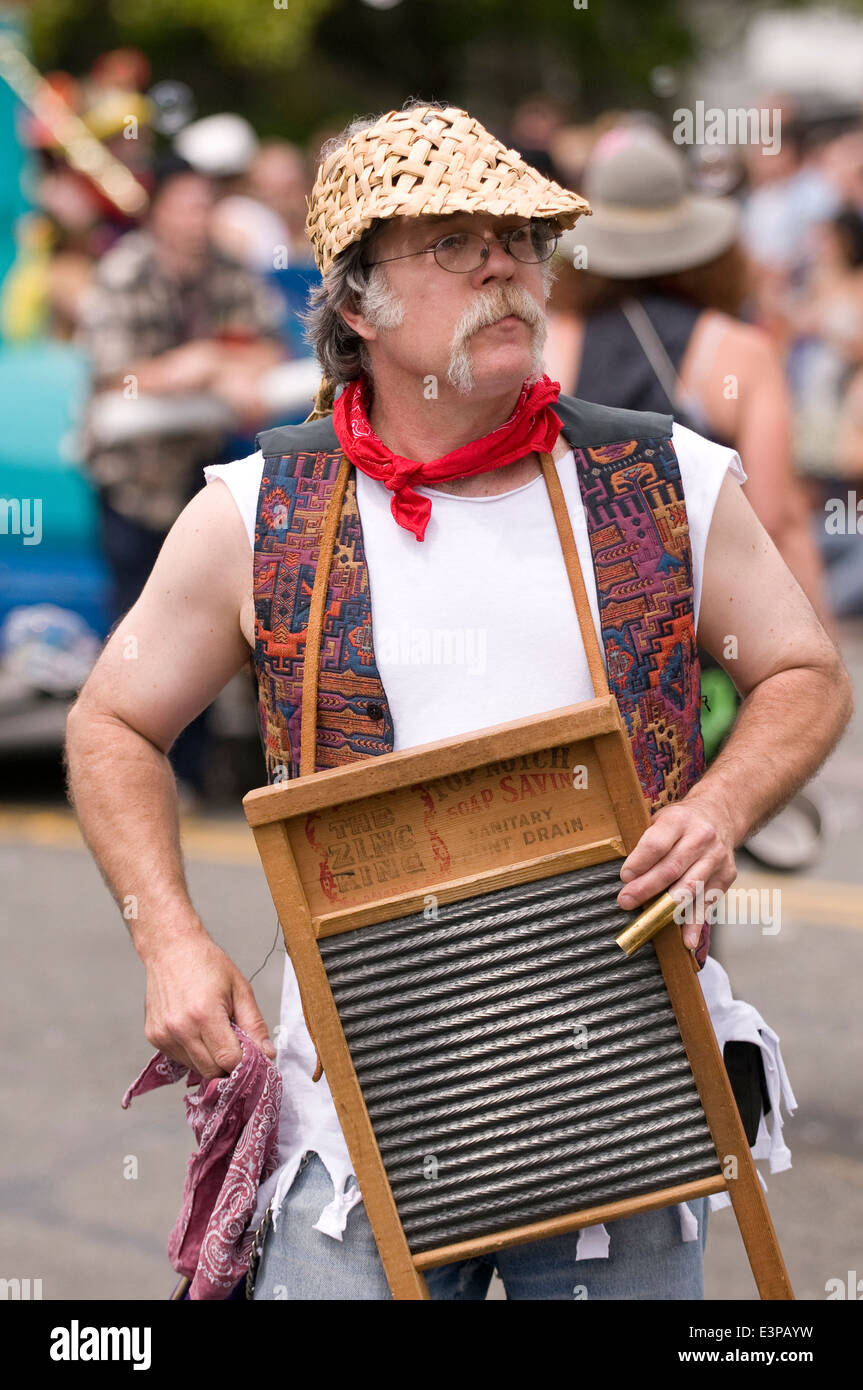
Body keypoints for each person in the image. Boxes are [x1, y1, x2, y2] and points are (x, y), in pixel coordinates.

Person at [65, 101, 852, 1300]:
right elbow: (112, 723)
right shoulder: (256, 509)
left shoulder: (661, 479)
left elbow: (801, 671)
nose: (503, 264)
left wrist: (720, 805)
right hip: (356, 1119)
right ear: (353, 303)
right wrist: (167, 936)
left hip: (619, 1095)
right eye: (452, 242)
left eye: (521, 240)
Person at [544, 127, 830, 625]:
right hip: (710, 630)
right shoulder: (740, 351)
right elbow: (774, 520)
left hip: (587, 623)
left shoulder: (548, 341)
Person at [74, 152, 285, 791]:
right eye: (186, 205)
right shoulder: (122, 273)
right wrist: (195, 365)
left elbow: (269, 343)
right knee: (136, 621)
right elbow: (114, 374)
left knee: (208, 627)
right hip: (134, 480)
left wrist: (223, 364)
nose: (198, 218)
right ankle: (130, 767)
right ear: (158, 210)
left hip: (201, 474)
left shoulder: (229, 269)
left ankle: (194, 775)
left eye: (205, 204)